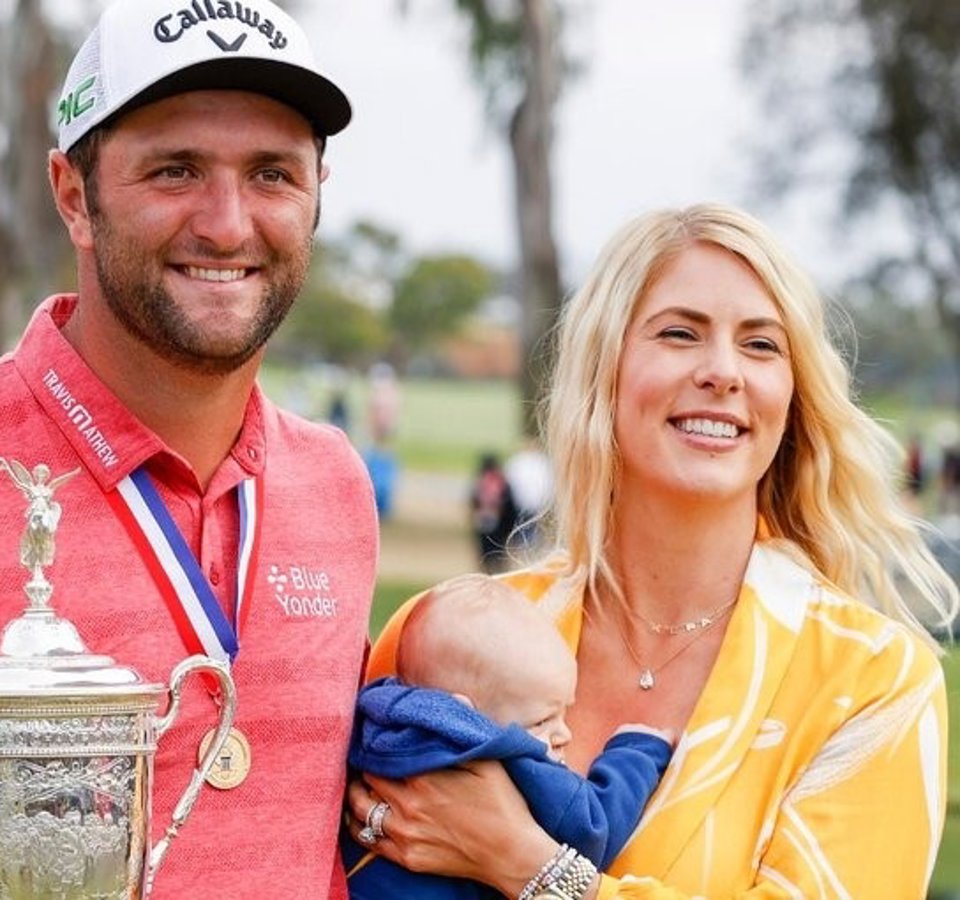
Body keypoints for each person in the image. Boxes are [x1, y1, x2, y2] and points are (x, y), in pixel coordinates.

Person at [0, 0, 378, 896]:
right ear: (74, 196)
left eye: (272, 174)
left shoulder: (335, 486)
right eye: (175, 170)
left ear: (319, 192)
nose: (227, 224)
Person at [346, 203, 959, 898]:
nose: (723, 371)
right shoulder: (444, 633)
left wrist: (526, 865)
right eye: (679, 333)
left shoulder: (873, 680)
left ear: (794, 394)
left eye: (761, 345)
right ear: (603, 369)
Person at [343, 573, 672, 899]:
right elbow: (591, 833)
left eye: (563, 712)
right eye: (542, 721)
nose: (564, 734)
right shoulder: (505, 757)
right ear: (464, 713)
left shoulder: (374, 725)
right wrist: (635, 754)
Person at [470, 452, 517, 573]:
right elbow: (509, 503)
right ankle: (498, 572)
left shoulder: (480, 481)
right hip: (499, 522)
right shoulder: (501, 481)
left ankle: (486, 572)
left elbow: (473, 501)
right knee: (499, 551)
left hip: (483, 520)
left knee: (485, 552)